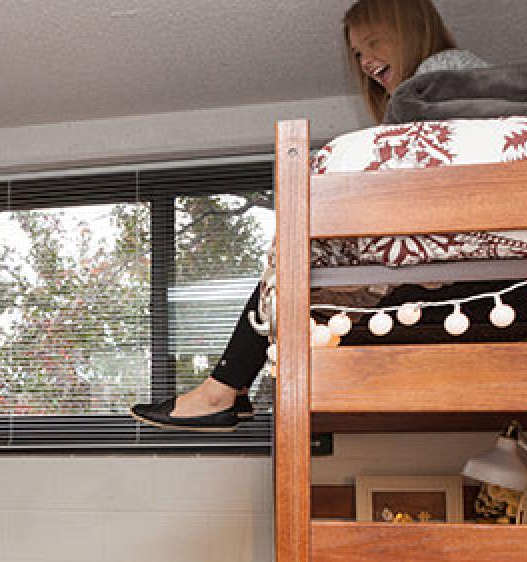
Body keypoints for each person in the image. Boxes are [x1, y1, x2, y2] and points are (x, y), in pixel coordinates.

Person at [130, 0, 488, 431]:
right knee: (291, 270)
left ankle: (223, 389)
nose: (366, 61)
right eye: (358, 53)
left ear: (412, 30)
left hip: (458, 242)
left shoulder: (447, 67)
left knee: (294, 262)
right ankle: (228, 388)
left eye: (373, 43)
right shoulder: (422, 91)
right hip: (440, 241)